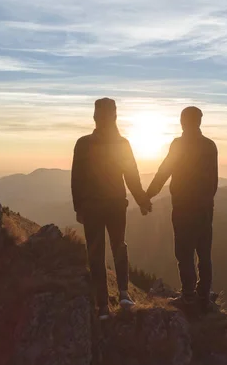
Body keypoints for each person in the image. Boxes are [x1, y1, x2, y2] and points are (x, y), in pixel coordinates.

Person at [71, 98, 152, 320]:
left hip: (92, 206)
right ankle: (124, 294)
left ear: (95, 117)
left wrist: (78, 206)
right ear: (115, 116)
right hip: (116, 204)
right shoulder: (122, 144)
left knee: (96, 252)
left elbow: (76, 178)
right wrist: (142, 201)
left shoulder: (83, 143)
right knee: (119, 244)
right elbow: (132, 176)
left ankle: (103, 306)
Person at [146, 106, 218, 311]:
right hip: (205, 208)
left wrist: (147, 195)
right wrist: (207, 201)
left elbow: (164, 171)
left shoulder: (178, 145)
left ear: (182, 122)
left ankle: (188, 297)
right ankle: (203, 296)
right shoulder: (210, 145)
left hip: (183, 207)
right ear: (200, 121)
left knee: (184, 253)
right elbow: (214, 180)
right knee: (204, 253)